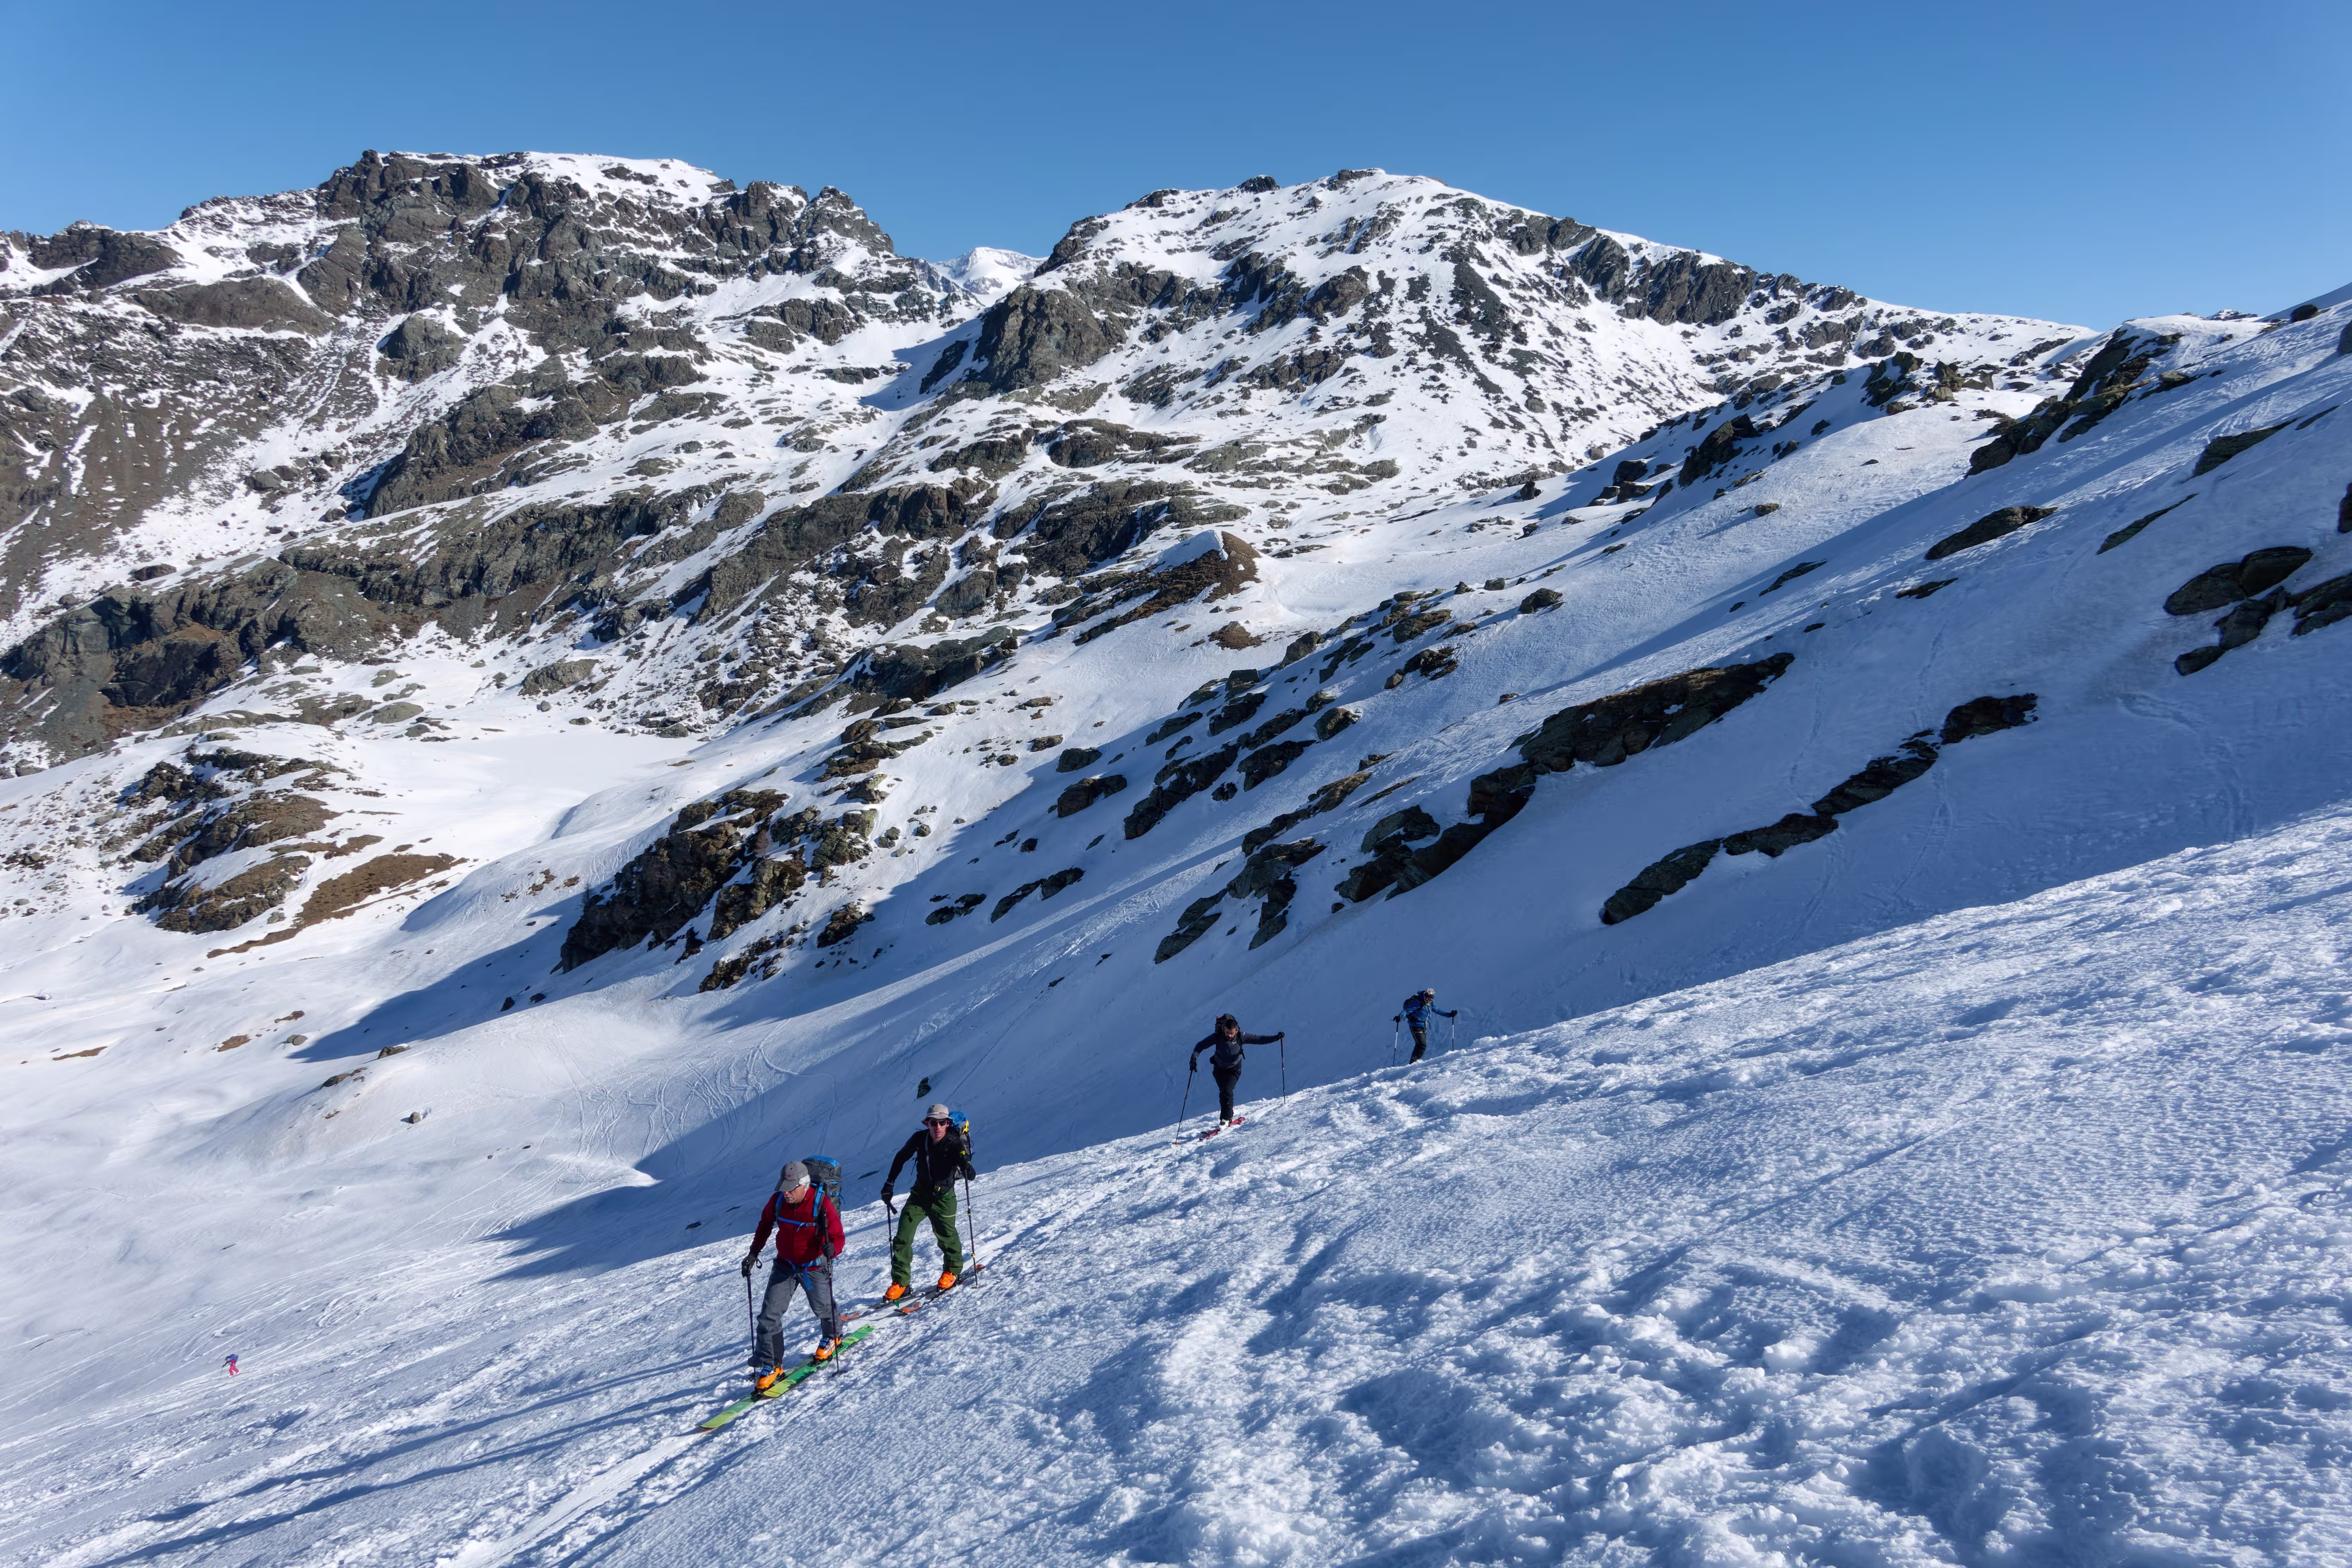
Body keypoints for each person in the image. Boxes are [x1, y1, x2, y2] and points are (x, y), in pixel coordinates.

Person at [740, 1160, 845, 1390]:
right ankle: (772, 1364)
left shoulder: (821, 1204)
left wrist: (833, 1250)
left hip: (814, 1265)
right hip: (785, 1265)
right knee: (768, 1316)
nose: (786, 1193)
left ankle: (834, 1335)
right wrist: (753, 1253)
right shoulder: (778, 1201)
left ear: (805, 1185)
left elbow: (838, 1237)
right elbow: (765, 1224)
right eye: (784, 1188)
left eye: (791, 1189)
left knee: (823, 1308)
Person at [880, 1103, 975, 1300]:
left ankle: (953, 1270)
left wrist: (967, 1167)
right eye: (933, 1123)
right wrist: (889, 1184)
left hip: (944, 1198)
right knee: (903, 1236)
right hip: (920, 1195)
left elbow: (965, 1165)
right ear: (927, 1123)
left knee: (946, 1236)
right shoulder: (919, 1139)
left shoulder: (954, 1142)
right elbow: (901, 1157)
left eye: (942, 1123)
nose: (937, 1127)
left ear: (948, 1124)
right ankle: (901, 1283)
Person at [1189, 1013, 1282, 1127]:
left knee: (1227, 1091)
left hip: (1234, 1068)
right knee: (1224, 1092)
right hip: (1219, 1069)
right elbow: (1200, 1046)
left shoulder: (1241, 1036)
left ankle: (1225, 1119)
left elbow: (1259, 1039)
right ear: (1224, 1029)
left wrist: (1277, 1038)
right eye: (1227, 1032)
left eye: (1231, 1033)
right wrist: (1194, 1059)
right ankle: (1228, 1115)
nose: (1229, 1035)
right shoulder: (1218, 1036)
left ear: (1237, 1031)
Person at [1396, 989, 1458, 1064]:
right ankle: (1413, 1064)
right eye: (1427, 999)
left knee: (1421, 1046)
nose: (1428, 1001)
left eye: (1430, 1000)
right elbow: (1407, 1011)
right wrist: (1400, 1017)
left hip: (1424, 1026)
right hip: (1415, 1025)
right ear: (1424, 996)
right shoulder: (1417, 1002)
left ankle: (1415, 1063)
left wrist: (1449, 1015)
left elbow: (1438, 1010)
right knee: (1422, 1045)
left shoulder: (1431, 1003)